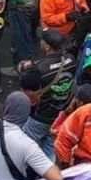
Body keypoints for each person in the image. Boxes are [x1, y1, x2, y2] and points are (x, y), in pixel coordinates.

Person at [0, 92, 62, 180]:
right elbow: (57, 178)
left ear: (6, 108)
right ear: (27, 114)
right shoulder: (28, 145)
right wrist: (56, 143)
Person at [20, 29, 76, 159]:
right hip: (60, 112)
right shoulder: (71, 59)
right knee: (50, 145)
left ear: (47, 46)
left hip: (41, 114)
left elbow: (26, 85)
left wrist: (24, 70)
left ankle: (24, 167)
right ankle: (48, 169)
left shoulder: (40, 68)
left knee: (25, 143)